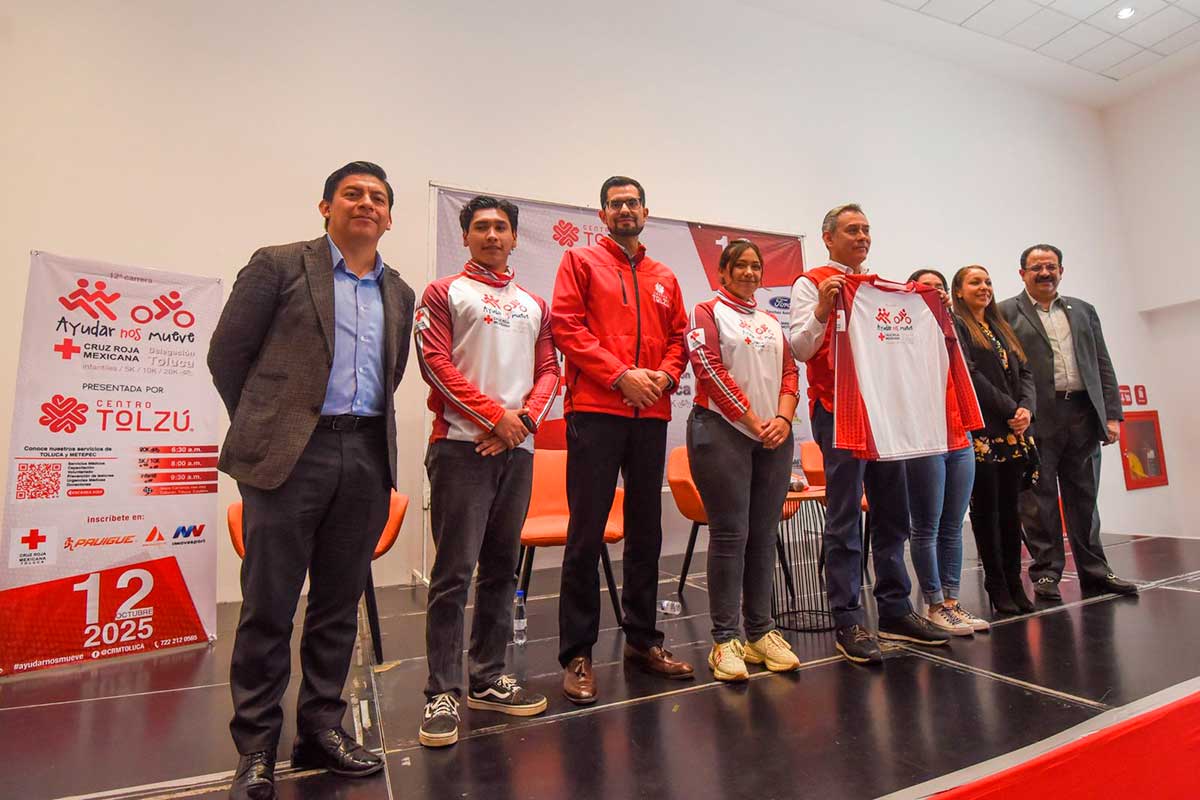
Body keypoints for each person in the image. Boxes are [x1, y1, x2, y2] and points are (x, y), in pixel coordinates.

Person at [209, 161, 414, 800]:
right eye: (352, 194)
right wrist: (273, 425)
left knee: (336, 606)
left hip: (364, 454)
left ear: (388, 216)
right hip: (288, 457)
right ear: (324, 207)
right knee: (269, 606)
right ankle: (256, 748)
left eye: (377, 198)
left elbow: (393, 370)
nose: (365, 204)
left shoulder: (399, 292)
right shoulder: (278, 264)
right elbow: (227, 355)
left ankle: (321, 728)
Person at [414, 196, 560, 747]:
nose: (492, 235)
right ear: (467, 236)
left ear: (515, 238)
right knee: (453, 574)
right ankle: (442, 692)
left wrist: (519, 423)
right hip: (460, 449)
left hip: (516, 450)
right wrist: (495, 417)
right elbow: (435, 362)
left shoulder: (533, 304)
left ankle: (487, 677)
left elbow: (549, 371)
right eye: (481, 227)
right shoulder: (444, 292)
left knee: (502, 570)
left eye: (501, 227)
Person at [552, 176, 693, 704]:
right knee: (585, 533)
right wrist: (619, 375)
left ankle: (643, 640)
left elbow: (680, 338)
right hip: (595, 409)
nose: (625, 210)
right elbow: (567, 327)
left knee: (647, 531)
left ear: (645, 211)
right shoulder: (580, 262)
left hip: (651, 412)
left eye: (632, 202)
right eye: (616, 204)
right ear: (603, 214)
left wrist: (664, 377)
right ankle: (578, 654)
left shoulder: (664, 275)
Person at [788, 204, 948, 665]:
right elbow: (801, 347)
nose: (862, 237)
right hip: (839, 412)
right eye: (852, 230)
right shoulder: (810, 282)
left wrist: (932, 311)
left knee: (893, 514)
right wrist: (821, 307)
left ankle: (896, 609)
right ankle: (848, 618)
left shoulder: (881, 289)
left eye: (866, 230)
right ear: (828, 238)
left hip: (885, 413)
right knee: (843, 518)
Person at [687, 239, 802, 681]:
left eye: (757, 266)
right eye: (742, 266)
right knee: (731, 535)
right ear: (724, 271)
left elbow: (791, 372)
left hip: (773, 436)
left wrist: (783, 420)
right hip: (722, 434)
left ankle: (760, 632)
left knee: (762, 534)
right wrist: (755, 421)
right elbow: (709, 368)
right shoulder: (707, 311)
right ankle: (724, 640)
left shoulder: (772, 321)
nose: (751, 273)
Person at [999, 245, 1137, 599]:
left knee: (1085, 498)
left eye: (1051, 266)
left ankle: (1095, 571)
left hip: (1082, 415)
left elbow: (1101, 363)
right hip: (1036, 419)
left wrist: (1112, 415)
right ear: (1022, 274)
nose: (1045, 273)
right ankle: (1046, 574)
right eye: (1036, 268)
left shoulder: (1083, 310)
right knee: (1038, 501)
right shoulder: (1005, 313)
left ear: (1061, 270)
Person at [952, 265, 1037, 615]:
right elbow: (970, 375)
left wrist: (1026, 409)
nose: (984, 287)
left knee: (1010, 513)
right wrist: (1010, 410)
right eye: (975, 282)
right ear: (959, 291)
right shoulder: (958, 326)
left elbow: (1026, 371)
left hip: (1014, 431)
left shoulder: (1001, 326)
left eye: (987, 282)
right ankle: (997, 585)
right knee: (987, 513)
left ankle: (1016, 583)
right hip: (985, 432)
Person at [904, 269, 984, 635]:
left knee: (953, 524)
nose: (935, 292)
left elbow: (969, 368)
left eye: (939, 287)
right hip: (926, 438)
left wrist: (948, 319)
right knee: (927, 526)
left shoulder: (954, 328)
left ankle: (951, 602)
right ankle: (933, 602)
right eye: (926, 287)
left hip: (960, 435)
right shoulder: (902, 333)